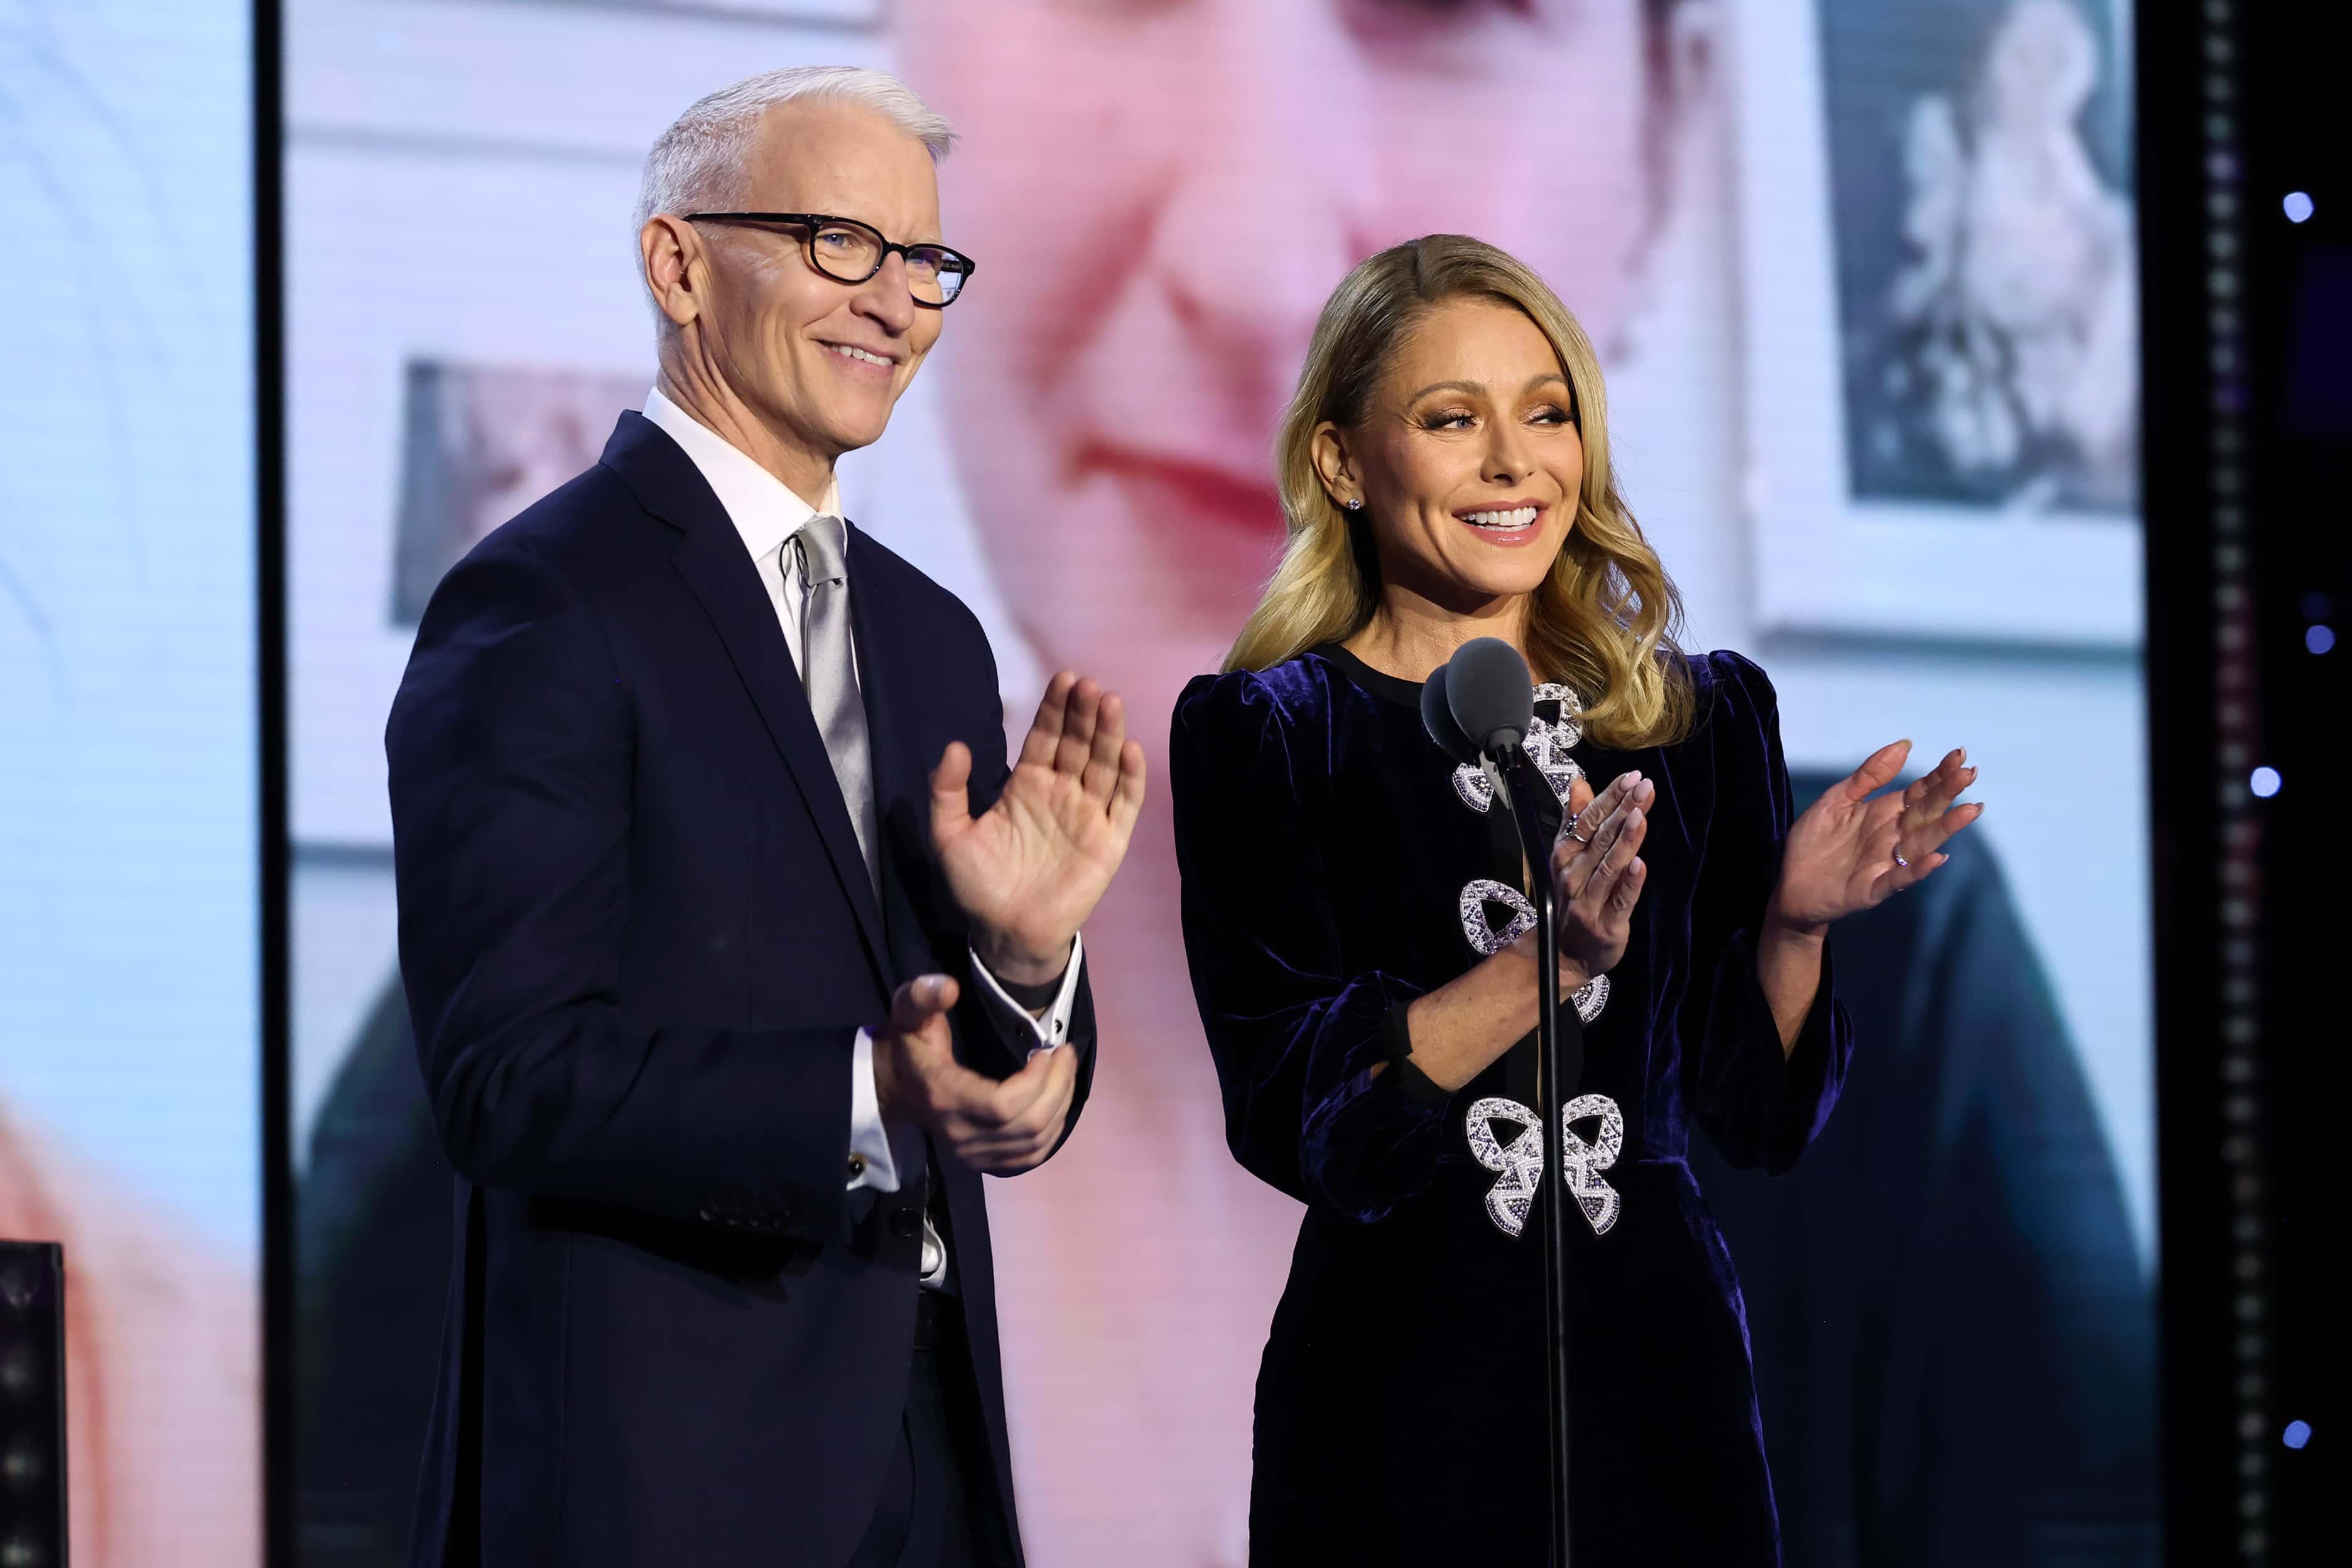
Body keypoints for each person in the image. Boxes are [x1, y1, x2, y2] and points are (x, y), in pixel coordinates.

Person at [386, 65, 1144, 1568]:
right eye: (836, 242)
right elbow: (507, 1076)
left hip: (925, 1448)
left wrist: (1025, 969)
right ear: (677, 264)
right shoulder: (546, 598)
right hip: (664, 1474)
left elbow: (963, 1062)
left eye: (925, 261)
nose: (895, 302)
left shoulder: (932, 636)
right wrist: (868, 1095)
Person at [1168, 235, 1980, 1563]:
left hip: (1658, 1386)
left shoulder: (1699, 718)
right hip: (1398, 1391)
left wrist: (1793, 927)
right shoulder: (1270, 733)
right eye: (1450, 420)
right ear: (1341, 461)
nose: (1511, 461)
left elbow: (1754, 1117)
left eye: (1545, 413)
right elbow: (1295, 1115)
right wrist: (1542, 967)